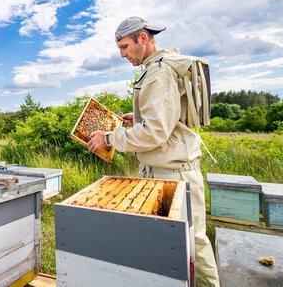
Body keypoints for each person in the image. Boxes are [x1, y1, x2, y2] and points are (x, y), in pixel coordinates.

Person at [87, 16, 220, 287]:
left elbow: (154, 133)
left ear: (143, 38)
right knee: (167, 244)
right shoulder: (157, 69)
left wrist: (109, 138)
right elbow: (164, 122)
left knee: (193, 243)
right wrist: (136, 119)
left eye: (125, 47)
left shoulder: (159, 73)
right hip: (162, 171)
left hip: (173, 175)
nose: (122, 54)